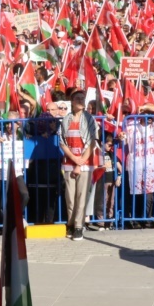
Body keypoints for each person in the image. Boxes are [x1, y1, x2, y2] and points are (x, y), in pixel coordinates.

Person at [58, 87, 100, 240]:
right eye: (78, 99)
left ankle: (78, 226)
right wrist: (73, 159)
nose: (81, 101)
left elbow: (92, 142)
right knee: (70, 197)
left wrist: (79, 163)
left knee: (82, 196)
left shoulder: (90, 119)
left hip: (85, 163)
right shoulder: (66, 119)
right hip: (69, 162)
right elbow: (62, 142)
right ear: (72, 102)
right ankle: (70, 223)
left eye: (82, 99)